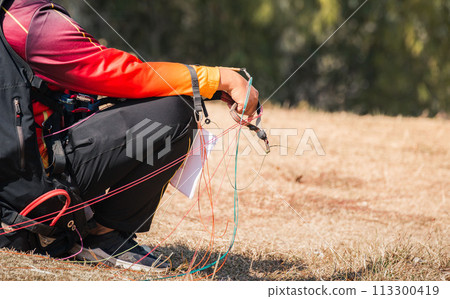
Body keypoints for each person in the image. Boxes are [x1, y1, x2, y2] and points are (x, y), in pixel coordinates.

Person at [0, 0, 259, 271]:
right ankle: (103, 236)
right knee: (174, 113)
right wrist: (218, 79)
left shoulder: (13, 13)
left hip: (14, 188)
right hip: (32, 196)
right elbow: (118, 72)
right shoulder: (31, 20)